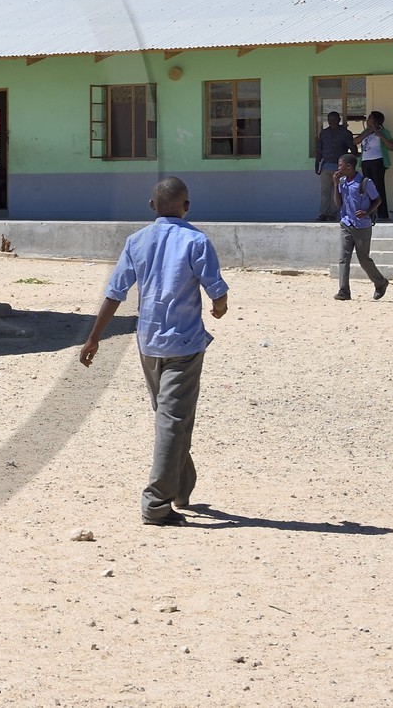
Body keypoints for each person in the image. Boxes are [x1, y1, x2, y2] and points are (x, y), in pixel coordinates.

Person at [78, 177, 229, 526]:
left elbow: (115, 293)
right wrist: (219, 307)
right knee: (173, 420)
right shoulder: (197, 241)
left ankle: (182, 488)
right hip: (184, 344)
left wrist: (93, 338)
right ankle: (157, 504)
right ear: (187, 206)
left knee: (169, 416)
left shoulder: (136, 241)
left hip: (148, 343)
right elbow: (216, 293)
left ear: (151, 207)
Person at [333, 155, 390, 301]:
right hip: (346, 223)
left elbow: (378, 200)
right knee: (343, 258)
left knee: (363, 259)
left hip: (362, 226)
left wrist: (367, 212)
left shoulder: (365, 182)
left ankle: (380, 282)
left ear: (349, 167)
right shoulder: (342, 182)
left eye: (340, 165)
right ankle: (344, 291)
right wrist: (335, 184)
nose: (338, 168)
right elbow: (338, 204)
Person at [355, 111, 393, 220]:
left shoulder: (384, 132)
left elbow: (392, 147)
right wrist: (367, 133)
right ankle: (369, 213)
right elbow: (356, 141)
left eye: (370, 118)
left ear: (376, 120)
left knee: (379, 187)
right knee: (367, 187)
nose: (367, 120)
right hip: (365, 162)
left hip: (378, 161)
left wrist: (380, 135)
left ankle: (383, 214)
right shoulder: (366, 131)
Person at [314, 111, 356, 221]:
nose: (331, 121)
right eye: (329, 119)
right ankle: (323, 213)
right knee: (325, 192)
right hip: (325, 166)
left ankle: (332, 213)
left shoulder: (345, 133)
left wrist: (351, 162)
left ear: (339, 120)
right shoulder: (324, 133)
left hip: (340, 168)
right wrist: (316, 164)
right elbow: (319, 150)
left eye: (333, 119)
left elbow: (353, 149)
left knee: (336, 191)